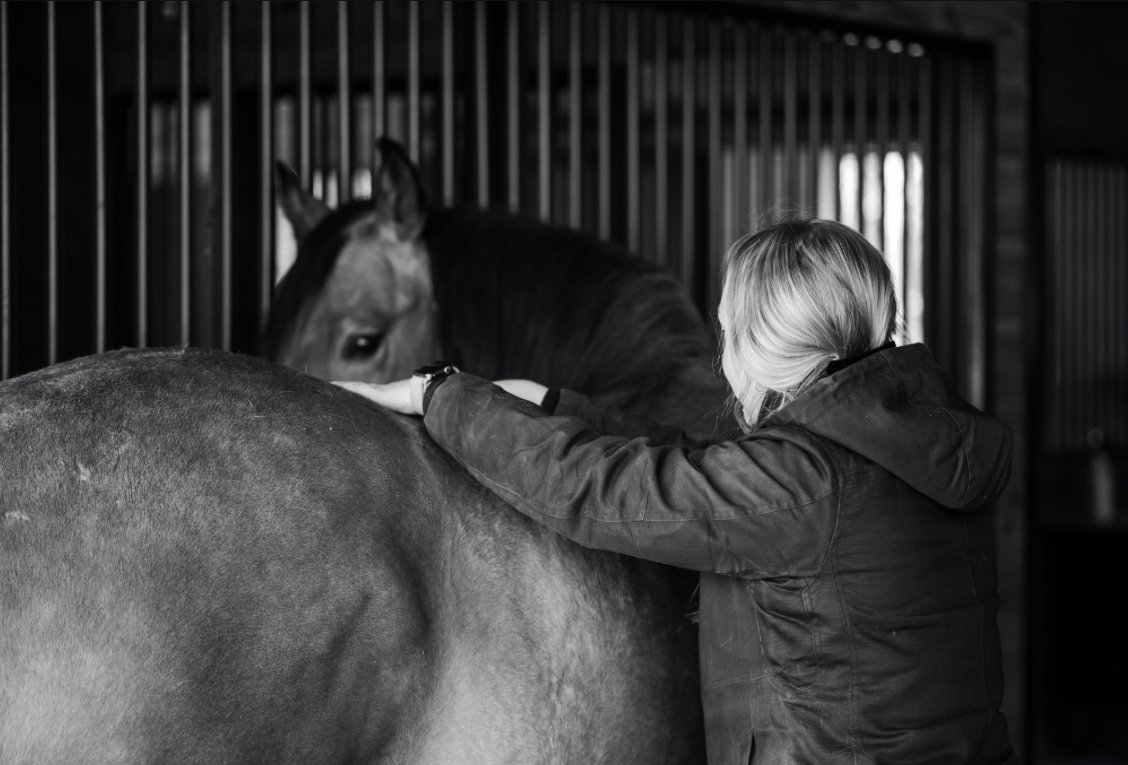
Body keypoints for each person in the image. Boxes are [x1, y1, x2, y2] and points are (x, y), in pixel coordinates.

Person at [337, 218, 1018, 764]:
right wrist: (553, 402)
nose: (722, 353)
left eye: (727, 331)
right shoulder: (922, 443)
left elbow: (596, 487)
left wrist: (441, 393)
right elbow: (710, 469)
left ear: (763, 346)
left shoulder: (802, 485)